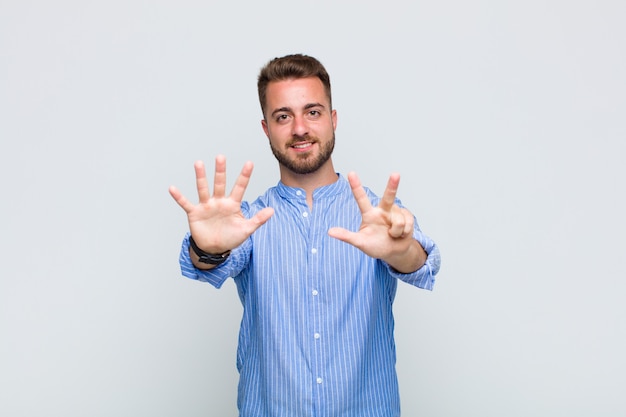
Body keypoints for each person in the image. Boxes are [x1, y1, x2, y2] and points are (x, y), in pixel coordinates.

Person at [169, 53, 441, 417]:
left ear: (333, 119)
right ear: (267, 129)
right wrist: (207, 248)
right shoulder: (247, 222)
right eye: (283, 116)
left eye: (312, 112)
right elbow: (208, 263)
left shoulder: (377, 216)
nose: (300, 128)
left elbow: (422, 265)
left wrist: (400, 250)